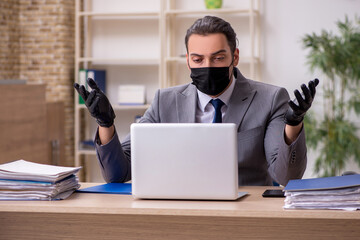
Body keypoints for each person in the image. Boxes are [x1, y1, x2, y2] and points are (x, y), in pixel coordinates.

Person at [74, 16, 319, 186]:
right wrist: (105, 124)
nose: (208, 66)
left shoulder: (271, 99)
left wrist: (293, 124)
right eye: (198, 59)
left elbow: (287, 177)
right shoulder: (164, 102)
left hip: (246, 213)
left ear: (235, 57)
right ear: (188, 61)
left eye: (218, 57)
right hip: (180, 211)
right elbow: (119, 174)